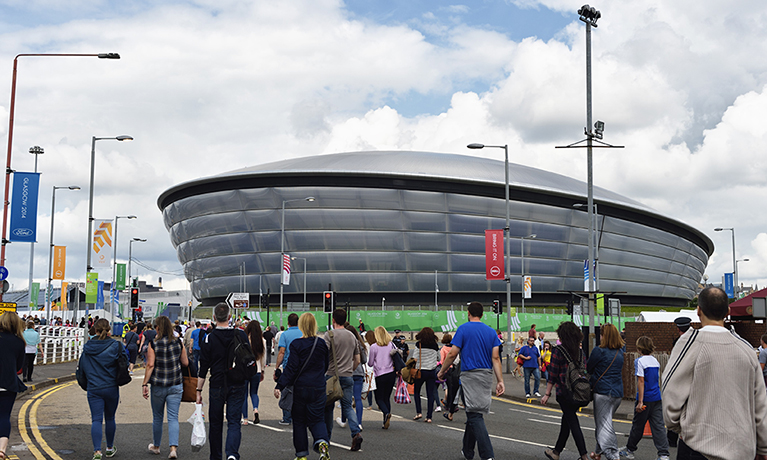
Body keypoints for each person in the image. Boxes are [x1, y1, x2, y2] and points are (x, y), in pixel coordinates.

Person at [663, 286, 767, 460]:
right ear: (727, 311)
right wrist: (763, 446)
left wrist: (680, 428)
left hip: (698, 448)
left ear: (698, 311)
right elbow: (760, 404)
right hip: (741, 449)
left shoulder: (689, 344)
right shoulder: (746, 349)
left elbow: (670, 393)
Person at [438, 302, 504, 460]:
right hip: (486, 375)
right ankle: (467, 451)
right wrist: (500, 380)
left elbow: (453, 354)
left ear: (468, 313)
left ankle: (488, 455)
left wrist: (442, 371)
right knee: (473, 412)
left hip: (469, 375)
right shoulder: (491, 332)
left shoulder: (463, 329)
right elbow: (495, 357)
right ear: (482, 314)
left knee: (475, 415)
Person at [196, 303, 249, 460]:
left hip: (217, 384)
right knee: (234, 422)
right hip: (238, 382)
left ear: (214, 318)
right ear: (230, 317)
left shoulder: (208, 339)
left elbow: (203, 368)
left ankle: (216, 456)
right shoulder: (241, 335)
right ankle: (232, 454)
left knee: (216, 423)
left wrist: (198, 391)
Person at [274, 313, 330, 460]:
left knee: (299, 421)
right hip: (318, 387)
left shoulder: (296, 345)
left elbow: (291, 369)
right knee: (318, 419)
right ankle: (322, 443)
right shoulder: (321, 343)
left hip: (300, 388)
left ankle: (302, 455)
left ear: (301, 326)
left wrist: (279, 385)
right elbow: (325, 365)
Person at [141, 316, 189, 458]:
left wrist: (144, 383)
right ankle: (173, 449)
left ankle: (156, 446)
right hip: (175, 384)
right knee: (173, 417)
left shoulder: (153, 343)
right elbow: (185, 363)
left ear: (157, 328)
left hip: (158, 385)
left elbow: (150, 365)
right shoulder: (178, 342)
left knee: (157, 417)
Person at [541, 321, 589, 460]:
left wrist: (547, 394)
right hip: (580, 392)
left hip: (565, 393)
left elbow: (553, 375)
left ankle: (584, 456)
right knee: (567, 421)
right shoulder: (581, 352)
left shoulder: (558, 351)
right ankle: (556, 452)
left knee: (572, 423)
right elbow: (585, 370)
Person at [81, 318, 126, 460]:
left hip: (94, 388)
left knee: (96, 420)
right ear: (109, 330)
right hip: (111, 386)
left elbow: (81, 369)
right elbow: (124, 361)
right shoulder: (115, 345)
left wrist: (86, 385)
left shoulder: (87, 348)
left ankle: (97, 452)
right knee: (110, 418)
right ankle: (109, 448)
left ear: (95, 330)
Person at [618, 336, 669, 460]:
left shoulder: (639, 361)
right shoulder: (655, 361)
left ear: (639, 348)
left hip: (645, 398)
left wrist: (640, 402)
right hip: (656, 397)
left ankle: (630, 450)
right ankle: (663, 454)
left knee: (638, 426)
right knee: (658, 426)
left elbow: (641, 381)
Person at [323, 309, 363, 451]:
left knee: (328, 408)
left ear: (333, 319)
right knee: (347, 407)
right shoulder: (352, 336)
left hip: (331, 375)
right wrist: (350, 370)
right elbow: (357, 359)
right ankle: (355, 432)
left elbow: (322, 354)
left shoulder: (329, 335)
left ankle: (326, 438)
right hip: (347, 376)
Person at [586, 323, 624, 460]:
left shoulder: (599, 351)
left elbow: (589, 368)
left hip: (602, 392)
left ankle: (612, 455)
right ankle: (597, 453)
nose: (600, 337)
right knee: (605, 423)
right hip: (617, 393)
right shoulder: (621, 351)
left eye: (601, 335)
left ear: (604, 336)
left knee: (604, 426)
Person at [0, 312, 27, 460]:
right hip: (8, 384)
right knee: (4, 416)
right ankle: (2, 450)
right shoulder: (18, 342)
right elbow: (18, 367)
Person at [338, 324, 367, 431]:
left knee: (345, 399)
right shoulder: (359, 344)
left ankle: (343, 420)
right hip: (358, 372)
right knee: (358, 398)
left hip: (346, 371)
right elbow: (364, 360)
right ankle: (359, 422)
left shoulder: (344, 343)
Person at [368, 326, 397, 429]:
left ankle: (386, 413)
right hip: (391, 373)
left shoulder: (374, 347)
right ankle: (385, 419)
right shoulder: (391, 345)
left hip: (379, 374)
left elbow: (370, 363)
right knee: (386, 397)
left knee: (379, 398)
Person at [409, 327, 440, 423]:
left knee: (417, 391)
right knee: (430, 394)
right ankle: (429, 417)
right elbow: (439, 357)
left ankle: (419, 412)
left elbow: (415, 357)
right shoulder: (435, 345)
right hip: (431, 371)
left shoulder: (419, 344)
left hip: (420, 371)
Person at [276, 314, 302, 426]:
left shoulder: (285, 334)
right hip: (302, 368)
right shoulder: (302, 333)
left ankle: (286, 418)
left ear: (288, 322)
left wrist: (277, 367)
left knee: (286, 392)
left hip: (288, 367)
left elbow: (282, 352)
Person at [242, 320, 266, 425]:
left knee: (244, 394)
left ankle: (245, 419)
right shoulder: (262, 341)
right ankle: (255, 409)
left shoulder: (245, 339)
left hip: (245, 370)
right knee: (254, 393)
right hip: (257, 370)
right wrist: (263, 371)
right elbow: (263, 358)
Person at [440, 333, 461, 421]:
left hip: (452, 371)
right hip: (474, 372)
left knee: (450, 389)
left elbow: (443, 360)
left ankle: (449, 408)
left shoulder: (444, 349)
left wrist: (441, 371)